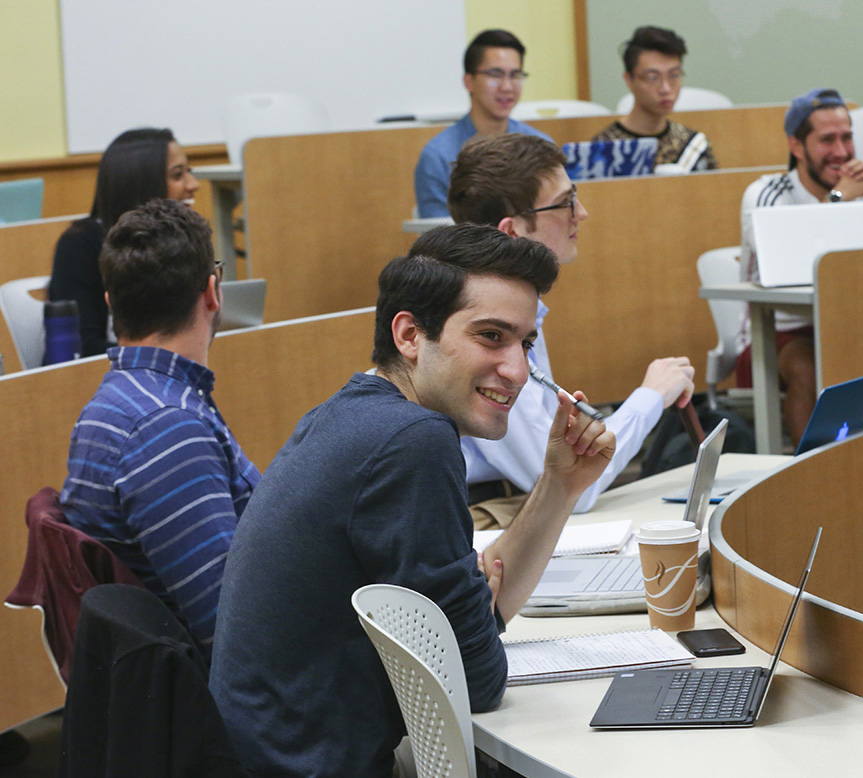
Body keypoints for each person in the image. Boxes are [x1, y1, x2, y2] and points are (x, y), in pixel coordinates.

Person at [209, 224, 615, 777]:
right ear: (409, 335)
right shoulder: (412, 441)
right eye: (491, 336)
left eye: (525, 342)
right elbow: (478, 683)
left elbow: (471, 640)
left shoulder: (355, 412)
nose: (517, 369)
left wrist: (560, 484)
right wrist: (473, 609)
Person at [447, 133, 696, 514]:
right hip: (473, 515)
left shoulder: (516, 305)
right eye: (564, 203)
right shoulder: (481, 329)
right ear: (512, 231)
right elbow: (565, 484)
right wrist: (651, 397)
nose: (581, 213)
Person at [60, 199, 257, 662]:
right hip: (237, 707)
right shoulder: (166, 428)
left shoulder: (124, 400)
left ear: (111, 304)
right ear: (212, 293)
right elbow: (233, 629)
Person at [739, 88, 863, 442]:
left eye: (847, 138)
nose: (842, 152)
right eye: (827, 140)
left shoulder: (861, 190)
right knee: (806, 366)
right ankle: (814, 474)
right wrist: (839, 199)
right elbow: (795, 266)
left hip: (849, 324)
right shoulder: (767, 193)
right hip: (778, 332)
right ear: (796, 146)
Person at [48, 128, 199, 358]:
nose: (193, 184)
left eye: (189, 172)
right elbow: (83, 348)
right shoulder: (79, 246)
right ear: (141, 183)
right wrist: (162, 355)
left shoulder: (183, 240)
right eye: (178, 175)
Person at [413, 29, 553, 218]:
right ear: (469, 82)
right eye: (495, 74)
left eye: (515, 75)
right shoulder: (438, 156)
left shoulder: (540, 147)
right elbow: (436, 235)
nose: (507, 87)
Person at [590, 25, 718, 172]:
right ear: (629, 80)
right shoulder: (604, 147)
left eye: (674, 75)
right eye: (652, 77)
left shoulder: (694, 145)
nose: (666, 88)